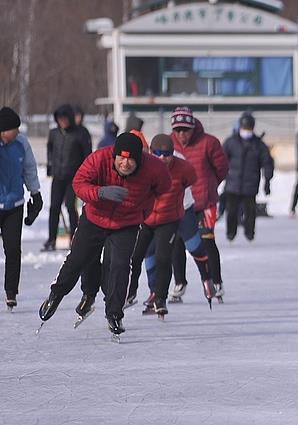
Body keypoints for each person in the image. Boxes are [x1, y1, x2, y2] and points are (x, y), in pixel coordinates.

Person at [38, 132, 171, 336]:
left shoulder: (154, 168)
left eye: (131, 159)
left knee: (119, 266)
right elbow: (79, 183)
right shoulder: (99, 158)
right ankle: (55, 295)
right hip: (94, 218)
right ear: (114, 156)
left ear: (139, 159)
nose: (125, 163)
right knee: (77, 260)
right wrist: (100, 192)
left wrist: (143, 208)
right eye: (121, 158)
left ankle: (114, 314)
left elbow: (164, 187)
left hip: (127, 223)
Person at [126, 133, 199, 317]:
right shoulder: (143, 165)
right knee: (135, 256)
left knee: (163, 257)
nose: (162, 158)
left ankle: (160, 298)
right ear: (151, 152)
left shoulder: (183, 168)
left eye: (167, 154)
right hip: (146, 218)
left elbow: (192, 179)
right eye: (158, 153)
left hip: (168, 220)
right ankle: (130, 291)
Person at [169, 106, 228, 302]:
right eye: (177, 130)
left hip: (205, 203)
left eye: (185, 130)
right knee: (177, 241)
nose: (181, 134)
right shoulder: (169, 144)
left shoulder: (209, 143)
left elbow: (221, 169)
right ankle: (179, 282)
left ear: (193, 128)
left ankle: (216, 281)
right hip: (179, 205)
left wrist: (210, 186)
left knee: (207, 240)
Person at [0, 107, 43, 309]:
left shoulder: (21, 143)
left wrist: (35, 193)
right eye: (13, 129)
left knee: (13, 250)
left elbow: (29, 168)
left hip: (14, 205)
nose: (17, 131)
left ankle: (11, 292)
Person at [43, 104, 92, 251]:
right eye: (60, 119)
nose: (62, 122)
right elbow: (50, 150)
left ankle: (74, 238)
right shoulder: (54, 133)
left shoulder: (80, 133)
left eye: (65, 119)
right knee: (54, 207)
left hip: (74, 177)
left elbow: (87, 155)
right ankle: (51, 239)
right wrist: (50, 167)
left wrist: (86, 175)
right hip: (58, 176)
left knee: (70, 206)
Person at [222, 112, 274, 240]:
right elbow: (221, 160)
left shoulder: (259, 145)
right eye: (244, 128)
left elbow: (267, 162)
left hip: (250, 183)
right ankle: (230, 232)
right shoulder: (230, 142)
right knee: (232, 210)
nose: (246, 131)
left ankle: (249, 232)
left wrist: (267, 180)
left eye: (249, 129)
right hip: (233, 183)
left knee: (250, 211)